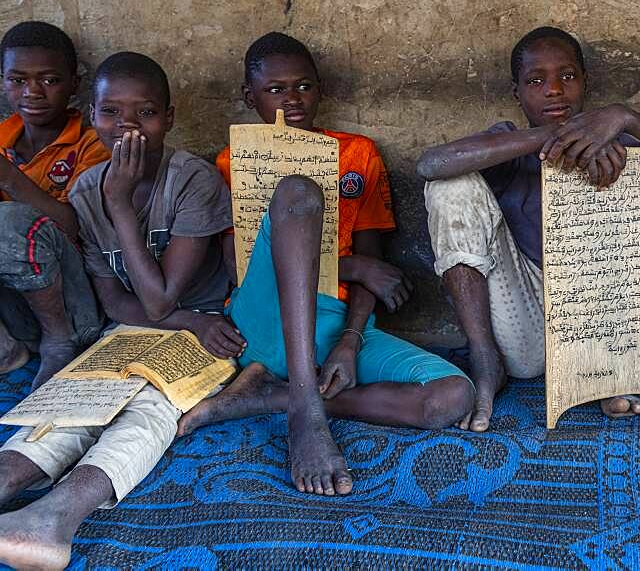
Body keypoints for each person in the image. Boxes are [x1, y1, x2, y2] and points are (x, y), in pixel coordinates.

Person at [176, 32, 474, 497]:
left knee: (452, 396)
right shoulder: (233, 160)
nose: (292, 100)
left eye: (303, 86)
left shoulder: (357, 154)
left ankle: (278, 395)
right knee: (297, 190)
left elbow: (375, 259)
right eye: (275, 89)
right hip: (266, 315)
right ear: (247, 96)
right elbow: (239, 268)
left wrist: (351, 341)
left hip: (334, 326)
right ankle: (306, 413)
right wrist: (351, 268)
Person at [0, 51, 239, 570]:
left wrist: (123, 205)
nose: (126, 126)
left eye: (145, 113)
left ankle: (56, 517)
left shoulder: (193, 180)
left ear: (169, 119)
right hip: (141, 323)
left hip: (209, 328)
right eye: (111, 112)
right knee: (80, 397)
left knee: (152, 404)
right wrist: (110, 198)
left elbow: (160, 298)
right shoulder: (88, 189)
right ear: (92, 116)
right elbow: (114, 300)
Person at [418, 26, 640, 432]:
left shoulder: (620, 140)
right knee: (451, 187)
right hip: (524, 318)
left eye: (567, 77)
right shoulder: (509, 141)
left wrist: (624, 116)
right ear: (517, 92)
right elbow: (431, 166)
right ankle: (485, 358)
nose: (553, 90)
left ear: (585, 83)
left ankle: (617, 359)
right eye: (536, 81)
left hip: (604, 307)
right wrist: (549, 136)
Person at [0, 21, 109, 389]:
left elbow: (75, 226)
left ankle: (60, 342)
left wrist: (8, 177)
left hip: (75, 305)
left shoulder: (91, 144)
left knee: (10, 221)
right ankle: (6, 347)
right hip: (16, 306)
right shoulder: (2, 139)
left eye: (49, 80)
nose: (32, 92)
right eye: (17, 80)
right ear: (2, 81)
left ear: (74, 84)